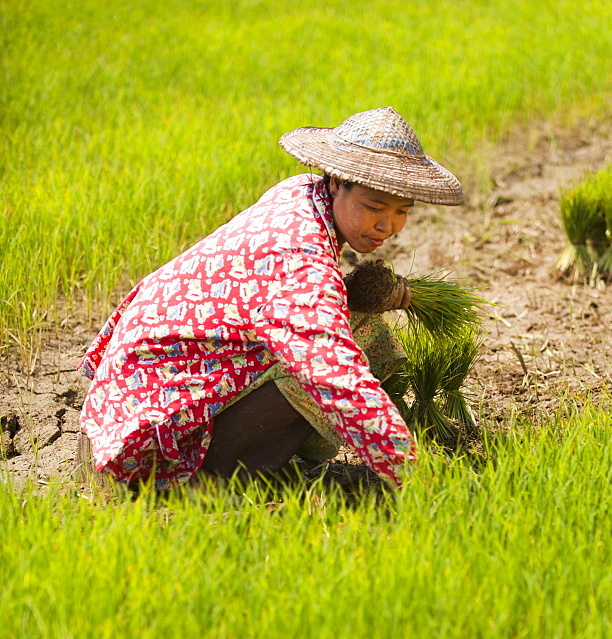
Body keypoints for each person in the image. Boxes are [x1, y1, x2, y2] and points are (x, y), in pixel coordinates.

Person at [77, 107, 463, 489]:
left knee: (357, 327)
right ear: (334, 182)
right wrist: (410, 473)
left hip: (124, 397)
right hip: (145, 440)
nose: (387, 225)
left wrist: (365, 292)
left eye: (402, 211)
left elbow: (285, 301)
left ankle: (274, 461)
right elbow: (335, 373)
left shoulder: (298, 193)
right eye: (374, 207)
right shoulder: (301, 257)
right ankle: (210, 481)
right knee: (345, 351)